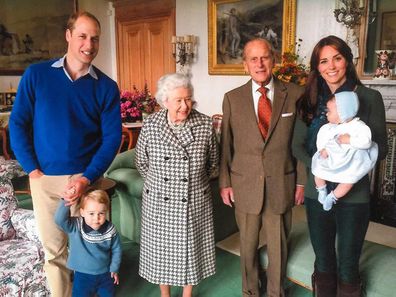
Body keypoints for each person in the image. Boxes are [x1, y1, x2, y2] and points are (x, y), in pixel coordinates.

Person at [9, 11, 122, 296]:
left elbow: (111, 139)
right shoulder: (37, 75)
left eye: (95, 38)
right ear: (68, 36)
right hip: (45, 179)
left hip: (87, 180)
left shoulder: (106, 87)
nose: (89, 44)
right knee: (55, 253)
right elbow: (18, 122)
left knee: (92, 248)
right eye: (83, 36)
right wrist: (31, 168)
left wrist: (86, 179)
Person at [292, 35, 388, 297]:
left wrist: (347, 167)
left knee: (348, 263)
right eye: (323, 61)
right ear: (317, 66)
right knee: (323, 261)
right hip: (317, 192)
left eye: (337, 58)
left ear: (347, 60)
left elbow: (381, 149)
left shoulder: (369, 97)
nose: (331, 66)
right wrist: (323, 166)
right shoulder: (310, 99)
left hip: (354, 195)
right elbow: (297, 146)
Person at [219, 38, 305, 297]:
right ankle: (250, 291)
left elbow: (302, 144)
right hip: (244, 184)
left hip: (282, 182)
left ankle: (275, 292)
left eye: (264, 57)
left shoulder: (296, 95)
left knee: (278, 245)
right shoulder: (232, 99)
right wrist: (225, 182)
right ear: (245, 65)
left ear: (274, 60)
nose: (259, 63)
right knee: (247, 245)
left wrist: (301, 182)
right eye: (253, 59)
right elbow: (226, 145)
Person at [135, 73, 219, 297]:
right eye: (179, 100)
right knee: (162, 252)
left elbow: (214, 163)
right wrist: (158, 185)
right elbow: (141, 161)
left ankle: (187, 293)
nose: (185, 105)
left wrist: (195, 182)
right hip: (159, 201)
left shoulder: (204, 123)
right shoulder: (151, 124)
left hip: (193, 199)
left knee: (190, 249)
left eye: (189, 99)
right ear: (165, 102)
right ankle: (164, 293)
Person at [312, 91, 378, 211]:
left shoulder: (359, 127)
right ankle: (321, 190)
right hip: (331, 158)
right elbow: (321, 140)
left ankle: (332, 196)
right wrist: (323, 149)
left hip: (349, 162)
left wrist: (350, 140)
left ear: (343, 113)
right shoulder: (327, 128)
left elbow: (366, 142)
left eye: (329, 111)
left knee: (349, 181)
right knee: (317, 170)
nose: (326, 114)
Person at [54, 190, 122, 297]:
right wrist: (66, 201)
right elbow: (59, 219)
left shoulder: (110, 229)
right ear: (82, 212)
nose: (96, 218)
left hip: (105, 273)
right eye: (91, 213)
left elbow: (116, 250)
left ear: (106, 212)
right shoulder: (75, 226)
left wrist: (114, 268)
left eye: (101, 213)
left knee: (108, 294)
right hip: (82, 275)